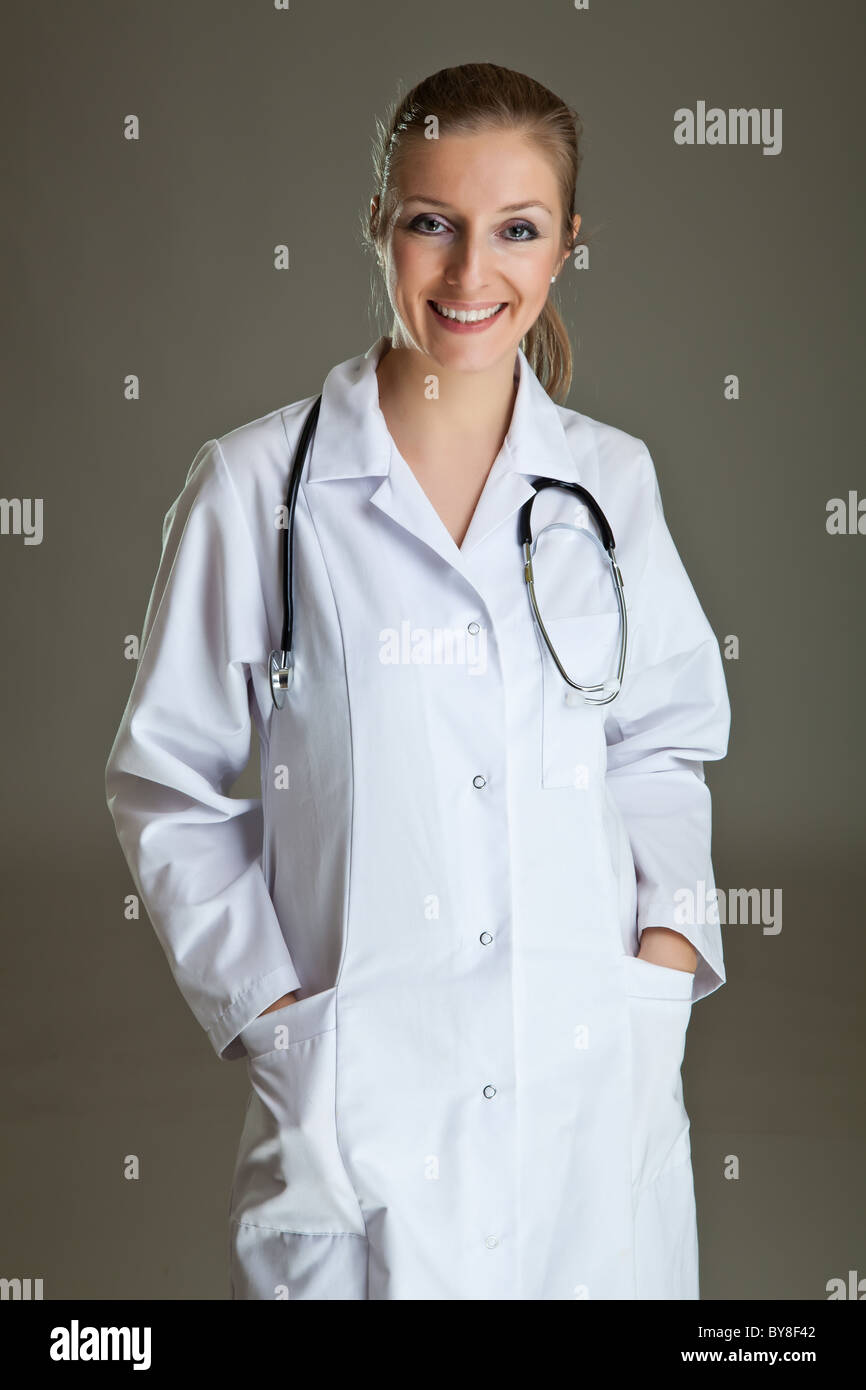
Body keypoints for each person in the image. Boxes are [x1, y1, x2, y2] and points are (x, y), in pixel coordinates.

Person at [105, 61, 731, 1301]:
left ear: (562, 250)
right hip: (359, 1107)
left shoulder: (609, 484)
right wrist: (283, 1020)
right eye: (428, 224)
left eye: (516, 230)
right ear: (377, 226)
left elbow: (661, 743)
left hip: (584, 1106)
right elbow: (167, 787)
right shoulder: (258, 491)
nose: (467, 273)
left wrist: (661, 965)